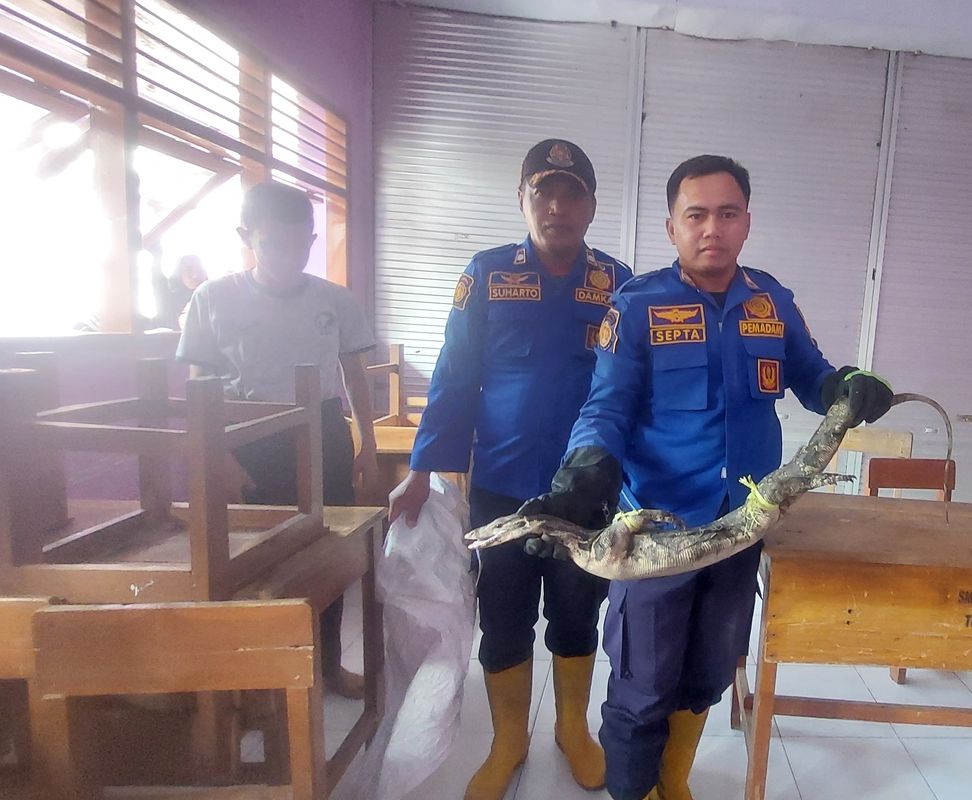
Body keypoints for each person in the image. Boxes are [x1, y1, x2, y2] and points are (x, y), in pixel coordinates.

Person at [520, 155, 894, 800]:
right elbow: (606, 404)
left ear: (746, 221)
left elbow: (812, 375)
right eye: (696, 215)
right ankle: (633, 790)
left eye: (727, 213)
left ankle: (675, 782)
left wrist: (847, 385)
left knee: (708, 671)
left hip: (742, 523)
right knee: (642, 683)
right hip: (661, 533)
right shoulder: (637, 305)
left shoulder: (771, 301)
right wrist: (582, 476)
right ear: (672, 228)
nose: (711, 229)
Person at [389, 139, 633, 800]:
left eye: (571, 192)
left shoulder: (617, 282)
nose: (557, 206)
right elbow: (454, 376)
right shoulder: (488, 273)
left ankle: (572, 731)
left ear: (590, 204)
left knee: (579, 614)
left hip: (588, 492)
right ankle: (508, 741)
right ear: (522, 199)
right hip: (500, 484)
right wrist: (420, 470)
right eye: (542, 191)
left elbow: (631, 388)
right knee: (504, 615)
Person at [176, 180, 379, 699]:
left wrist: (367, 444)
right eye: (275, 244)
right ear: (247, 236)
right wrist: (219, 455)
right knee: (256, 560)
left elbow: (354, 373)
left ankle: (328, 668)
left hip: (324, 433)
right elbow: (198, 385)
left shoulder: (334, 301)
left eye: (301, 243)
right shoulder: (212, 298)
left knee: (327, 555)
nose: (291, 256)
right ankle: (260, 683)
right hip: (248, 443)